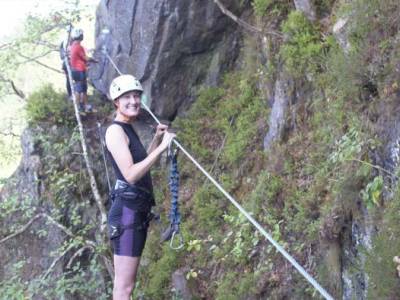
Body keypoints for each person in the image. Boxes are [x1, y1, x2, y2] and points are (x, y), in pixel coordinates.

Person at [105, 74, 176, 300]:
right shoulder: (115, 131)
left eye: (136, 96)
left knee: (126, 286)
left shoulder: (127, 128)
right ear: (116, 101)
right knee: (124, 288)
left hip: (135, 211)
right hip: (128, 213)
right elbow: (131, 174)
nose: (134, 101)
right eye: (126, 97)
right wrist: (163, 147)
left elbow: (139, 163)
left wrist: (156, 139)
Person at [69, 28, 97, 112]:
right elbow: (86, 58)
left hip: (74, 70)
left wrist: (85, 62)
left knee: (78, 88)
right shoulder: (78, 46)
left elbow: (78, 58)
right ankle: (85, 106)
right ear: (80, 36)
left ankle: (79, 106)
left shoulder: (73, 45)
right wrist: (94, 60)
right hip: (79, 71)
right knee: (83, 89)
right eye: (82, 35)